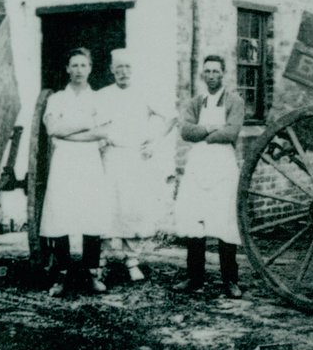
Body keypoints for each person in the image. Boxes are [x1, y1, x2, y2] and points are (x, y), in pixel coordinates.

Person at [38, 47, 111, 297]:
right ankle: (61, 276)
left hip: (89, 161)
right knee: (61, 215)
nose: (79, 70)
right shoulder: (57, 99)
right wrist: (87, 124)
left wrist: (69, 132)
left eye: (83, 65)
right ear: (67, 69)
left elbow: (103, 132)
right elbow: (52, 129)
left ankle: (92, 274)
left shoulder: (98, 99)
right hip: (64, 162)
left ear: (90, 69)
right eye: (74, 65)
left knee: (91, 215)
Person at [97, 48, 174, 281]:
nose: (123, 72)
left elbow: (171, 117)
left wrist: (154, 142)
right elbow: (91, 122)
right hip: (109, 157)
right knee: (106, 209)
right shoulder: (102, 95)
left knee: (133, 209)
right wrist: (99, 138)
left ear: (134, 69)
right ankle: (100, 261)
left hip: (134, 159)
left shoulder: (144, 93)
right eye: (118, 67)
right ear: (112, 70)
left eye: (127, 67)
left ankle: (132, 261)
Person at [172, 54, 245, 299]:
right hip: (198, 163)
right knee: (195, 220)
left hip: (223, 164)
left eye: (215, 71)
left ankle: (230, 280)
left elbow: (231, 132)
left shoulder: (234, 101)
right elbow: (185, 131)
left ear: (223, 74)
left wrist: (205, 134)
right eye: (207, 72)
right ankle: (195, 278)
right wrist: (211, 128)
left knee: (224, 221)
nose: (211, 76)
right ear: (202, 75)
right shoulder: (196, 102)